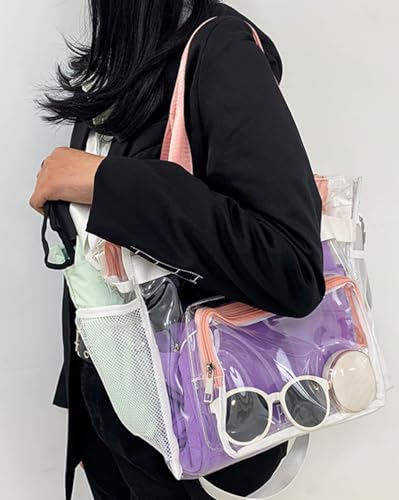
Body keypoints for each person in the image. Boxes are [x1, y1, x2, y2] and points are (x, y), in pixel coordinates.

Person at [29, 1, 325, 499]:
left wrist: (106, 183)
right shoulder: (122, 63)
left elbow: (290, 267)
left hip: (185, 423)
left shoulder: (221, 50)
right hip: (115, 406)